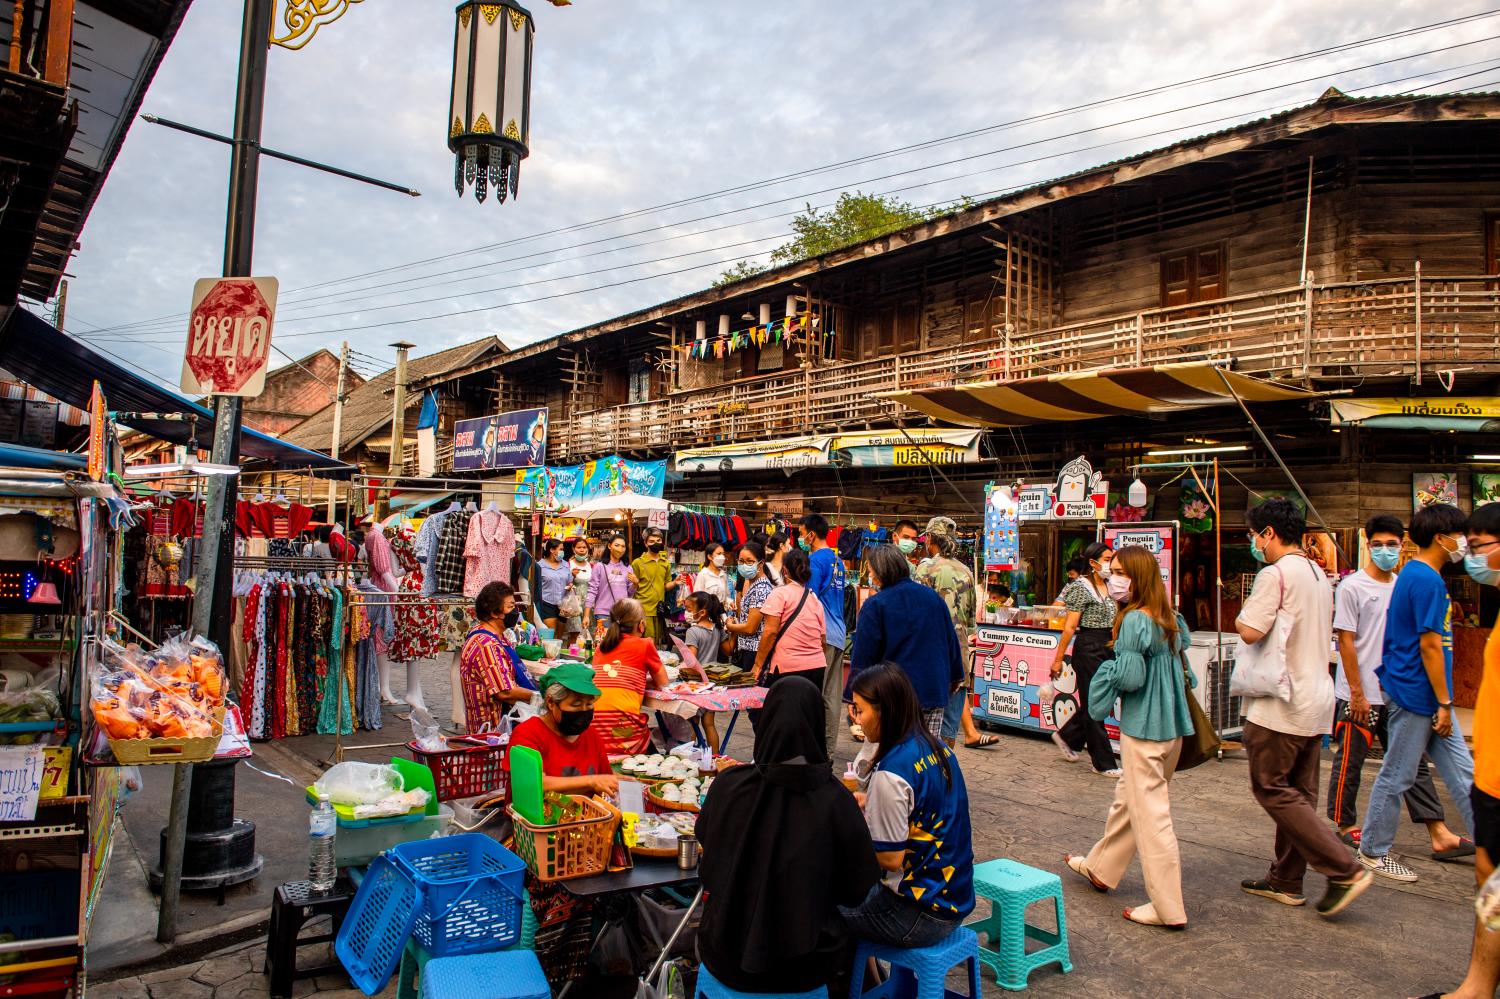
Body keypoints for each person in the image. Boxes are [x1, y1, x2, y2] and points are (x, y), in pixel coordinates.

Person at [697, 676, 879, 995]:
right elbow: (858, 890)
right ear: (816, 726)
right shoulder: (837, 802)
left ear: (765, 723)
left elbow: (708, 867)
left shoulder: (728, 786)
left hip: (724, 955)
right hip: (803, 968)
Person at [1236, 497, 1372, 917]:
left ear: (1269, 534)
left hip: (1281, 702)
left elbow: (1249, 630)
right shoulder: (1317, 572)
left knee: (1272, 788)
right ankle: (1285, 879)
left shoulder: (1275, 574)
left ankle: (1343, 867)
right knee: (1299, 794)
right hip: (1316, 698)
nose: (1254, 542)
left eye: (1255, 534)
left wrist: (1245, 618)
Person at [1064, 546, 1193, 929]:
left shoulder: (1135, 620)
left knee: (1152, 818)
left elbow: (1131, 677)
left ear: (1137, 575)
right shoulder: (1168, 615)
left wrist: (1107, 674)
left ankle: (1168, 906)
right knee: (1129, 800)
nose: (1112, 576)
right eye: (1110, 570)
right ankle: (1101, 867)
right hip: (1172, 729)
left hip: (1145, 730)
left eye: (1120, 571)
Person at [1327, 514, 1470, 858]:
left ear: (1402, 545)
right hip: (1366, 691)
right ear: (1367, 545)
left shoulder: (1403, 582)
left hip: (1397, 691)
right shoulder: (1353, 586)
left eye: (1392, 544)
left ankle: (1439, 831)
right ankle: (1348, 827)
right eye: (1378, 544)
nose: (1386, 550)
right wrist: (1357, 693)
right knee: (1353, 761)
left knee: (1414, 767)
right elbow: (1346, 641)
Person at [1358, 502, 1476, 883]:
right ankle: (1373, 850)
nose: (1464, 544)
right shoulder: (1426, 580)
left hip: (1421, 692)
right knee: (1398, 774)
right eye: (1460, 536)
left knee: (1463, 773)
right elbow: (1429, 646)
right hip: (1417, 694)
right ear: (1442, 539)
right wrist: (1443, 702)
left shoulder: (1413, 574)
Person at [1420, 502, 1500, 999]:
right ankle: (1477, 984)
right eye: (1466, 544)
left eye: (1480, 546)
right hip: (1491, 778)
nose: (1471, 555)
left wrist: (1445, 703)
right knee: (1489, 885)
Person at [842, 662, 974, 958]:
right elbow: (922, 809)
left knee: (817, 905)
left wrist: (844, 834)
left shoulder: (892, 772)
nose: (858, 721)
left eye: (860, 710)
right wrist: (873, 803)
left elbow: (890, 859)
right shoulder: (937, 747)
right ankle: (864, 979)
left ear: (885, 710)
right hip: (955, 896)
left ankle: (846, 986)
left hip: (920, 913)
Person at [849, 544, 965, 737]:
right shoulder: (932, 598)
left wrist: (854, 694)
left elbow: (864, 655)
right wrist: (955, 676)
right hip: (933, 688)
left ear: (879, 571)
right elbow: (950, 641)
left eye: (870, 570)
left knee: (895, 755)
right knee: (926, 754)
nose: (871, 576)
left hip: (894, 694)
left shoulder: (875, 604)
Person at [913, 515, 997, 750]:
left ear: (930, 538)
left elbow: (917, 614)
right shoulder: (966, 572)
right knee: (948, 729)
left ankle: (925, 772)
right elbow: (970, 622)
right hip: (959, 657)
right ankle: (945, 768)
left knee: (924, 724)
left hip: (930, 656)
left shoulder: (926, 568)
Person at [1051, 541, 1121, 776]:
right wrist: (1058, 659)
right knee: (1094, 704)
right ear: (1093, 563)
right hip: (1088, 645)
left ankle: (1068, 736)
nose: (1110, 564)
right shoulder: (1081, 587)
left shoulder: (1112, 585)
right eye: (1107, 559)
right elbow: (1070, 627)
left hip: (1109, 645)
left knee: (1102, 698)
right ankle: (1103, 762)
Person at [506, 662, 618, 796]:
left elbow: (605, 779)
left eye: (589, 704)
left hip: (586, 815)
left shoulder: (592, 736)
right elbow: (531, 783)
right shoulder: (527, 734)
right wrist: (591, 781)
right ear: (551, 703)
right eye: (576, 704)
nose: (583, 710)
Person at [590, 597, 669, 756]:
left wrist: (634, 681)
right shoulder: (645, 644)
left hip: (592, 733)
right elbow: (663, 683)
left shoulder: (601, 647)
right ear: (641, 625)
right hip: (623, 735)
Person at [458, 581, 538, 733]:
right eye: (510, 607)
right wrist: (542, 698)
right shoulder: (486, 645)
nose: (515, 611)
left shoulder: (497, 636)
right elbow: (505, 692)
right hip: (493, 734)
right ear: (495, 613)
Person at [801, 514, 849, 757]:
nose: (801, 538)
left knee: (813, 695)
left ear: (811, 533)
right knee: (831, 697)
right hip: (838, 634)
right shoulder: (837, 560)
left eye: (802, 533)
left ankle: (814, 752)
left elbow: (810, 600)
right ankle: (827, 753)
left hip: (821, 635)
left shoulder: (814, 560)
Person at [751, 549, 828, 698]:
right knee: (807, 715)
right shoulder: (814, 599)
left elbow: (770, 632)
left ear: (784, 570)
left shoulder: (779, 594)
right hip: (816, 667)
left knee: (783, 715)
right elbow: (822, 640)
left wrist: (757, 665)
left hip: (787, 667)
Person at [727, 541, 775, 672]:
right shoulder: (753, 584)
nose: (744, 565)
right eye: (741, 561)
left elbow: (750, 628)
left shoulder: (761, 589)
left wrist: (730, 626)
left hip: (754, 652)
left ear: (761, 563)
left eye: (749, 561)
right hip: (747, 649)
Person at [631, 526, 678, 646]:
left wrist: (675, 582)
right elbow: (632, 588)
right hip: (643, 609)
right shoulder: (637, 563)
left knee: (657, 643)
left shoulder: (665, 563)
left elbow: (666, 586)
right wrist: (635, 583)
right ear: (646, 543)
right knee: (647, 642)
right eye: (651, 541)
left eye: (658, 541)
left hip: (659, 609)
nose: (655, 544)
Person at [585, 533, 634, 636]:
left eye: (623, 546)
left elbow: (630, 593)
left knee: (621, 646)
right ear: (609, 546)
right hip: (603, 613)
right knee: (603, 644)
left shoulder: (628, 568)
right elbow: (592, 590)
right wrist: (586, 615)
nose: (620, 549)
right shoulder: (599, 566)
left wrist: (636, 584)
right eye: (617, 545)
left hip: (622, 614)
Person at [534, 538, 572, 637]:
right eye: (561, 549)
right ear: (552, 550)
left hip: (563, 605)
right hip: (547, 603)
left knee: (559, 637)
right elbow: (534, 587)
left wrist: (570, 586)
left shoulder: (565, 565)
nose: (563, 552)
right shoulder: (539, 566)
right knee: (549, 636)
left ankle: (557, 653)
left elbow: (569, 581)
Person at [560, 537, 592, 645]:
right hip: (573, 603)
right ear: (574, 549)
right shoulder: (568, 564)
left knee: (588, 632)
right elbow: (563, 584)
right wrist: (572, 576)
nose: (582, 550)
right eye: (579, 547)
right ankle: (571, 655)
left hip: (588, 604)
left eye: (584, 547)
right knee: (574, 632)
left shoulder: (591, 566)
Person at [695, 542, 734, 609]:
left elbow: (726, 596)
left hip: (722, 613)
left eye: (723, 554)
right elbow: (697, 598)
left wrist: (730, 603)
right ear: (710, 557)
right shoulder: (703, 575)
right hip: (708, 614)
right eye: (719, 554)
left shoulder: (723, 575)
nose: (722, 557)